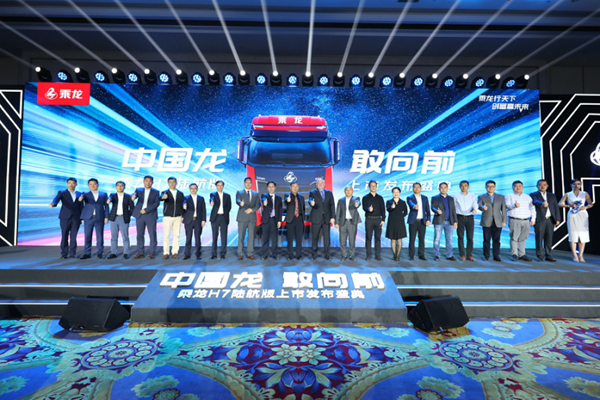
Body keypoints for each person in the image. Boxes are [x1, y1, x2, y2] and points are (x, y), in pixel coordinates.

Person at [559, 178, 594, 263]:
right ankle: (574, 254)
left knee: (582, 235)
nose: (576, 185)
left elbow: (591, 204)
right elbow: (559, 204)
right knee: (573, 234)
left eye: (578, 184)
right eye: (574, 184)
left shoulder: (584, 194)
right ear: (571, 185)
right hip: (572, 214)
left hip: (582, 214)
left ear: (581, 185)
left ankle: (581, 255)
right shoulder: (568, 194)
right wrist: (570, 206)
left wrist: (585, 207)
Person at [49, 177, 83, 259]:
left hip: (76, 217)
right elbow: (56, 199)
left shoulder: (79, 194)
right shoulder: (62, 192)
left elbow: (81, 206)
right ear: (67, 184)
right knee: (64, 235)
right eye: (69, 183)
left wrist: (82, 217)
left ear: (76, 184)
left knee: (73, 236)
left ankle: (72, 253)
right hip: (65, 217)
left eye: (73, 183)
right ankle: (64, 253)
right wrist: (53, 204)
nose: (71, 185)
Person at [531, 179, 561, 262]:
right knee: (539, 238)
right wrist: (542, 203)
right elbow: (535, 201)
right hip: (540, 219)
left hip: (550, 220)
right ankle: (540, 256)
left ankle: (548, 255)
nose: (542, 186)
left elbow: (556, 207)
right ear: (537, 186)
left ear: (547, 186)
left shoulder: (552, 195)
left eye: (544, 185)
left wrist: (557, 219)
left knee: (549, 238)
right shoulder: (533, 194)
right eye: (540, 185)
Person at [79, 178, 109, 259]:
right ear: (88, 185)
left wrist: (106, 216)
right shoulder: (85, 194)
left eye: (94, 184)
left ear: (98, 185)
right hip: (88, 218)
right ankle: (87, 253)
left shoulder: (104, 194)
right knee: (87, 235)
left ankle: (100, 253)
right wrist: (80, 199)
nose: (93, 186)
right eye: (90, 184)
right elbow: (81, 200)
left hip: (100, 217)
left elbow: (106, 206)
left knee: (100, 236)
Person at [505, 180, 536, 262]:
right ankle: (514, 254)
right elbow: (507, 206)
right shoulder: (509, 196)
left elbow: (532, 208)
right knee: (514, 238)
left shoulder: (527, 197)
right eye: (516, 186)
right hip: (514, 219)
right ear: (513, 187)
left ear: (522, 187)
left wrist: (533, 219)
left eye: (520, 186)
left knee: (523, 238)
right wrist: (514, 205)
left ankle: (522, 254)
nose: (518, 188)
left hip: (526, 220)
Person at [132, 176, 160, 259]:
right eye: (146, 181)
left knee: (152, 234)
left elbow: (156, 204)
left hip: (150, 215)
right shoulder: (139, 190)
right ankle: (140, 252)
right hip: (140, 215)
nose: (148, 183)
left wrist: (146, 210)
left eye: (150, 181)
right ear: (143, 181)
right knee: (140, 234)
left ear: (152, 182)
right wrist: (133, 197)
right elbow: (134, 195)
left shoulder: (156, 192)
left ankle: (152, 252)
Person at [478, 180, 507, 262]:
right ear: (486, 187)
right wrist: (482, 207)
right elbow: (479, 205)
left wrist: (504, 220)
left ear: (495, 187)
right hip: (486, 220)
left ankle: (496, 255)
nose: (490, 188)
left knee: (496, 240)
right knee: (486, 240)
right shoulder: (481, 197)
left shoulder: (501, 197)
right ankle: (486, 256)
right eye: (488, 186)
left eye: (492, 186)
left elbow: (504, 209)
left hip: (497, 221)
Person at [308, 178, 336, 260]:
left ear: (324, 184)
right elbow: (310, 200)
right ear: (316, 185)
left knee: (327, 238)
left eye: (321, 183)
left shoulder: (329, 193)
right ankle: (314, 254)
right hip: (316, 218)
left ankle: (327, 254)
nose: (320, 184)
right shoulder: (312, 192)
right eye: (318, 183)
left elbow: (332, 205)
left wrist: (332, 217)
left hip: (326, 218)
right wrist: (311, 203)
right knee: (315, 237)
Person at [106, 181, 134, 259]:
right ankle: (113, 252)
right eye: (118, 185)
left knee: (125, 236)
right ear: (116, 187)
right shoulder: (112, 195)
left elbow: (132, 208)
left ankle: (126, 253)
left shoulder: (128, 196)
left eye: (121, 185)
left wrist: (128, 215)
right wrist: (109, 200)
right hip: (114, 218)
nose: (120, 187)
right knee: (114, 236)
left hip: (124, 218)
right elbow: (110, 199)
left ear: (124, 187)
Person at [431, 182, 458, 261]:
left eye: (445, 187)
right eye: (441, 187)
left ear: (447, 188)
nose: (443, 189)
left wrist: (455, 221)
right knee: (437, 239)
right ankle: (437, 255)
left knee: (449, 239)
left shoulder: (451, 198)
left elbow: (453, 210)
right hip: (439, 221)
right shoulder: (435, 198)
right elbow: (432, 207)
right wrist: (437, 211)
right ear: (439, 189)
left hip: (450, 221)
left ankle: (450, 255)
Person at [161, 177, 185, 259]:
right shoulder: (165, 192)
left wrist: (183, 215)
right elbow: (160, 198)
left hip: (178, 217)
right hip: (167, 217)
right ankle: (166, 253)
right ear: (168, 183)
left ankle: (175, 252)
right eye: (170, 182)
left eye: (173, 182)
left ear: (176, 183)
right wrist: (162, 197)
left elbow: (182, 205)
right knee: (166, 236)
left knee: (176, 235)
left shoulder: (180, 193)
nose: (172, 184)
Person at [236, 177, 260, 260]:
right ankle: (240, 253)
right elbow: (237, 200)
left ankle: (250, 253)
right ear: (244, 183)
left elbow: (258, 204)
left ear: (252, 184)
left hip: (252, 217)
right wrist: (240, 203)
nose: (248, 184)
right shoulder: (239, 192)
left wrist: (252, 210)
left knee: (251, 236)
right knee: (241, 236)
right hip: (242, 217)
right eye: (246, 182)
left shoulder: (256, 194)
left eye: (250, 182)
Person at [335, 186, 361, 261]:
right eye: (347, 190)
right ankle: (344, 255)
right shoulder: (341, 200)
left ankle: (351, 255)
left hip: (352, 223)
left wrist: (357, 205)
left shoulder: (356, 198)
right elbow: (338, 211)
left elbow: (358, 203)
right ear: (344, 191)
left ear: (352, 191)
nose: (348, 191)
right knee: (342, 240)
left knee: (352, 240)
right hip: (342, 222)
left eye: (350, 190)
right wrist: (336, 222)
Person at [454, 180, 478, 261]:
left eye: (465, 185)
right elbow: (453, 207)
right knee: (460, 237)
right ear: (460, 187)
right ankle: (462, 255)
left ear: (468, 186)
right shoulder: (456, 196)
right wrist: (454, 220)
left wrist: (475, 209)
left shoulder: (472, 195)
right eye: (462, 186)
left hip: (470, 217)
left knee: (470, 237)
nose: (463, 187)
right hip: (459, 217)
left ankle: (469, 255)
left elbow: (475, 204)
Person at [407, 182, 431, 261]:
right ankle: (411, 255)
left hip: (422, 221)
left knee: (421, 239)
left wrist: (428, 219)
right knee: (412, 239)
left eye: (418, 187)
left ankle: (421, 255)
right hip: (413, 221)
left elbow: (427, 210)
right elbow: (410, 204)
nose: (416, 188)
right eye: (415, 187)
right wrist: (414, 206)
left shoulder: (425, 198)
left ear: (421, 188)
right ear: (412, 189)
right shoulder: (410, 197)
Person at [362, 181, 386, 261]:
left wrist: (383, 220)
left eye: (374, 186)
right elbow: (364, 207)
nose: (373, 187)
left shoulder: (380, 198)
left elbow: (383, 209)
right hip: (369, 219)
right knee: (368, 237)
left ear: (377, 187)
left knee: (377, 238)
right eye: (371, 186)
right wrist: (368, 209)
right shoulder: (365, 197)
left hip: (378, 219)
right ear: (369, 187)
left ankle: (377, 255)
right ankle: (368, 255)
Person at [182, 183, 206, 260]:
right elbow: (183, 206)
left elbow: (203, 210)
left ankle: (198, 254)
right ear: (189, 189)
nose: (193, 190)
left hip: (198, 220)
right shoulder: (185, 198)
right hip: (188, 220)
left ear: (197, 189)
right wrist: (183, 207)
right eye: (191, 188)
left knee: (197, 238)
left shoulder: (201, 198)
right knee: (188, 238)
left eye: (194, 188)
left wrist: (203, 220)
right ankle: (187, 254)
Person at [209, 180, 232, 260]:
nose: (220, 187)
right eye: (218, 185)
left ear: (223, 186)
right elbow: (211, 199)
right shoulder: (213, 194)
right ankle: (214, 254)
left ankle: (223, 254)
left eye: (221, 185)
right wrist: (211, 201)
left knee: (224, 236)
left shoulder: (227, 196)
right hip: (215, 218)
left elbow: (229, 207)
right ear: (216, 186)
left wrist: (225, 213)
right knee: (214, 236)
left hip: (223, 218)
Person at [261, 181, 283, 260]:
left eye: (272, 186)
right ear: (267, 188)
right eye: (269, 187)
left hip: (274, 220)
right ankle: (264, 254)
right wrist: (264, 202)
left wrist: (279, 220)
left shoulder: (279, 198)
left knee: (274, 239)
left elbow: (280, 210)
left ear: (275, 188)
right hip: (266, 220)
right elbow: (263, 200)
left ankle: (275, 254)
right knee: (265, 238)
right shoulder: (264, 196)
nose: (271, 188)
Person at [284, 181, 305, 260]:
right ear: (290, 188)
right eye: (293, 186)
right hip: (290, 219)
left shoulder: (301, 197)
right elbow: (286, 201)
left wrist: (303, 219)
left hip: (299, 219)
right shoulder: (287, 195)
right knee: (290, 238)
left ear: (298, 187)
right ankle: (290, 255)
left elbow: (303, 208)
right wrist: (288, 200)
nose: (295, 188)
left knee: (299, 239)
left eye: (296, 186)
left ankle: (299, 255)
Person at [386, 187, 407, 261]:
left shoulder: (402, 202)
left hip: (400, 222)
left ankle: (398, 255)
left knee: (399, 239)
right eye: (394, 192)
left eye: (397, 192)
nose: (396, 193)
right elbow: (388, 209)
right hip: (391, 222)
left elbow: (406, 212)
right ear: (392, 193)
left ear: (399, 193)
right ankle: (394, 255)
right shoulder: (389, 202)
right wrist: (392, 207)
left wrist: (401, 216)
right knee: (393, 239)